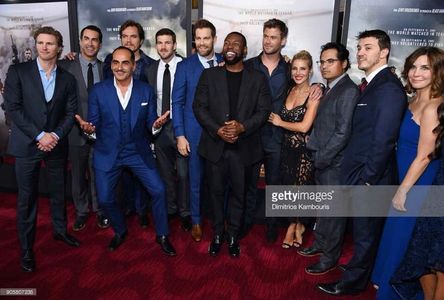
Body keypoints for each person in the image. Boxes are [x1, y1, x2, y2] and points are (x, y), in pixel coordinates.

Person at [317, 29, 407, 296]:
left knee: (366, 235)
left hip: (370, 177)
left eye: (368, 48)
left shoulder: (388, 88)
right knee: (362, 233)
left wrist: (368, 178)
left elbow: (384, 140)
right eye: (359, 48)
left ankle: (353, 284)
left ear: (384, 52)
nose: (360, 53)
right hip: (359, 172)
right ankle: (358, 270)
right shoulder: (370, 85)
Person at [75, 46, 176, 256]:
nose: (119, 67)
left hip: (137, 152)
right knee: (104, 199)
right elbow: (93, 123)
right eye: (115, 62)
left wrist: (156, 125)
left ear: (133, 65)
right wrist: (89, 130)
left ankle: (163, 235)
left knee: (158, 190)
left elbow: (150, 123)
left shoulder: (145, 90)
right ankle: (120, 230)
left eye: (124, 63)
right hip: (107, 152)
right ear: (111, 65)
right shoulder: (98, 91)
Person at [4, 26, 79, 272]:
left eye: (50, 43)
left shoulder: (68, 78)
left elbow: (70, 112)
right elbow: (13, 108)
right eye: (40, 43)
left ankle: (60, 231)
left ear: (59, 48)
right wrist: (39, 135)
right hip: (27, 145)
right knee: (27, 198)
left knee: (58, 192)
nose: (44, 47)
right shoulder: (18, 71)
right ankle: (26, 249)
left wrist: (55, 135)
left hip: (56, 144)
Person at [372, 46, 444, 299]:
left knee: (404, 239)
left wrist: (403, 191)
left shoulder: (434, 106)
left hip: (418, 183)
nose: (416, 72)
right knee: (394, 236)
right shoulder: (413, 100)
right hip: (403, 176)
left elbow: (425, 156)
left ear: (437, 72)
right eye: (413, 66)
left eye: (425, 67)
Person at [193, 32, 271, 257]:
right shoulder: (209, 75)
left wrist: (242, 127)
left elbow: (264, 111)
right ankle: (218, 234)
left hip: (244, 149)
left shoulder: (257, 78)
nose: (230, 46)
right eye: (227, 42)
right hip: (215, 147)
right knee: (215, 194)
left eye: (236, 44)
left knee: (239, 195)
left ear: (244, 51)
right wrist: (219, 130)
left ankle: (234, 235)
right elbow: (199, 107)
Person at [298, 42, 359, 275]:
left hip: (333, 163)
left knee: (333, 214)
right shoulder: (330, 87)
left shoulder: (348, 90)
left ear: (344, 64)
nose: (324, 66)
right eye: (322, 62)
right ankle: (320, 244)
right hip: (322, 159)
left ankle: (329, 258)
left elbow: (343, 133)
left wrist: (321, 158)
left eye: (330, 61)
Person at [172, 19, 223, 242]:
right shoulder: (185, 66)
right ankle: (196, 221)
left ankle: (221, 220)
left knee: (220, 179)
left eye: (206, 38)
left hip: (220, 133)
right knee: (195, 178)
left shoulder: (225, 61)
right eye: (198, 38)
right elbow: (177, 102)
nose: (202, 42)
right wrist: (180, 135)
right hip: (193, 133)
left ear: (214, 39)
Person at [268, 50, 322, 248]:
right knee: (289, 187)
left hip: (303, 151)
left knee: (301, 189)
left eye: (303, 69)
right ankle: (293, 223)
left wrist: (280, 122)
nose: (298, 73)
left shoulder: (314, 94)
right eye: (295, 69)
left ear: (310, 71)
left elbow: (304, 127)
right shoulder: (289, 90)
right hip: (285, 148)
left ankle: (298, 226)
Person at [58, 25, 109, 231]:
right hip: (74, 132)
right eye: (86, 39)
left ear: (100, 44)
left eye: (94, 40)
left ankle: (100, 211)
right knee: (78, 175)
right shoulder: (65, 66)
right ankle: (81, 211)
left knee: (98, 174)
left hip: (100, 132)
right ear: (79, 41)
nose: (90, 43)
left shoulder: (106, 68)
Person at [243, 19, 290, 241]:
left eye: (273, 37)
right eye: (265, 35)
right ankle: (246, 222)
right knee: (248, 184)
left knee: (275, 185)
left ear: (283, 40)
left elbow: (302, 91)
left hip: (277, 136)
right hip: (251, 135)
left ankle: (272, 227)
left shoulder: (289, 69)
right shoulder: (249, 65)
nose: (268, 41)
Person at [144, 28, 190, 231]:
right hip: (160, 129)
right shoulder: (150, 70)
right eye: (159, 43)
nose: (163, 46)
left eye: (167, 42)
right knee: (165, 175)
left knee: (183, 174)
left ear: (174, 45)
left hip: (182, 129)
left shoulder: (185, 66)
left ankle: (185, 212)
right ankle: (171, 209)